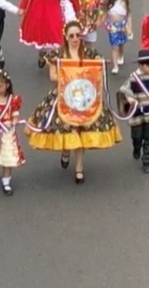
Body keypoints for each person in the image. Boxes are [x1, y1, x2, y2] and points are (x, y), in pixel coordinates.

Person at [25, 21, 120, 184]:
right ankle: (65, 150)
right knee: (66, 129)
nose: (75, 38)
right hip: (64, 97)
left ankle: (79, 168)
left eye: (78, 35)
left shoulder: (90, 54)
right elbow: (53, 77)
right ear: (66, 37)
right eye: (72, 36)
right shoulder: (58, 55)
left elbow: (98, 72)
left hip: (85, 100)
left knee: (82, 131)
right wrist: (69, 73)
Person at [114, 49, 149, 172]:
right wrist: (130, 98)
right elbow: (124, 90)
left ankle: (146, 160)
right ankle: (136, 147)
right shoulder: (133, 78)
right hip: (137, 113)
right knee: (137, 136)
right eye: (148, 65)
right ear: (141, 65)